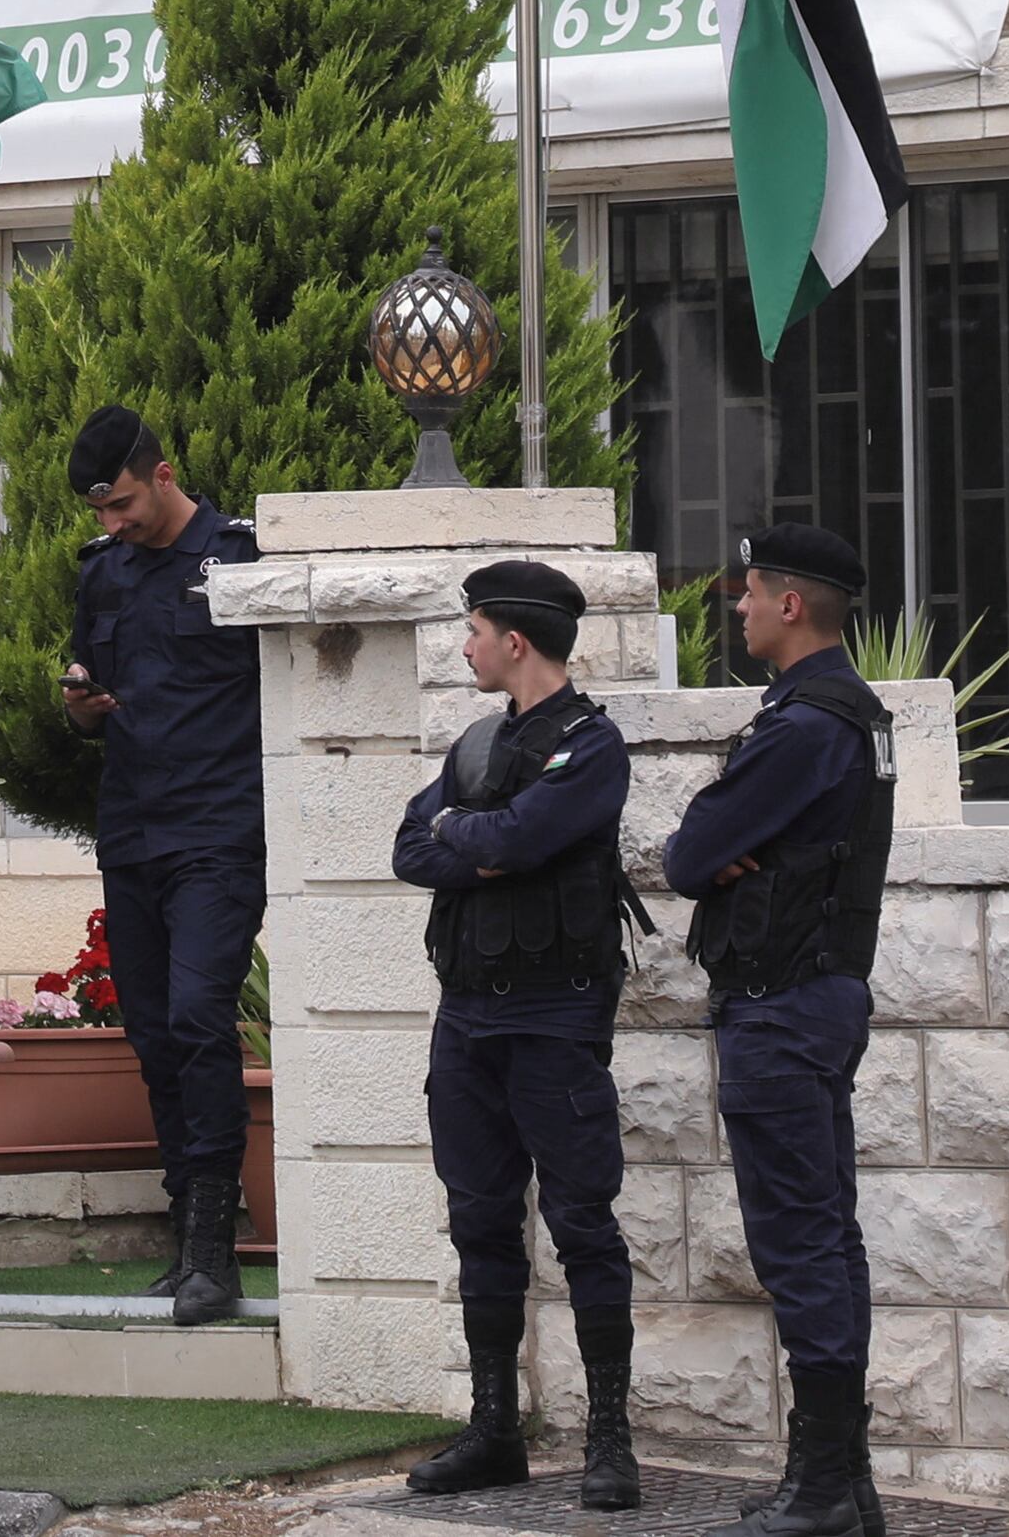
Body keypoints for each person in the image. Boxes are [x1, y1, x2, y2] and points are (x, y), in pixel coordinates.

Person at [389, 557, 644, 1513]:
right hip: (468, 1018)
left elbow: (517, 840)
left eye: (474, 629)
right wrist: (476, 835)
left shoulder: (594, 743)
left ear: (517, 640)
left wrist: (475, 836)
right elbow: (411, 849)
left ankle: (609, 1439)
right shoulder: (475, 744)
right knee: (480, 1220)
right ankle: (494, 1430)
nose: (465, 644)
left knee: (582, 1223)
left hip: (554, 1015)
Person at [659, 526, 900, 1537]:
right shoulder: (850, 714)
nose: (739, 609)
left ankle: (823, 1488)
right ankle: (841, 1479)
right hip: (815, 996)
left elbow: (686, 854)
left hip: (782, 1003)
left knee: (800, 1241)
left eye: (749, 595)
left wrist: (718, 856)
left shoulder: (803, 726)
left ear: (790, 604)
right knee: (823, 1236)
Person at [58, 404, 266, 1324]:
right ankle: (186, 1236)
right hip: (133, 829)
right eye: (102, 511)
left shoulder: (242, 557)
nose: (114, 523)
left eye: (125, 503)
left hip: (220, 828)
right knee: (151, 1034)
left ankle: (217, 1246)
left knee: (196, 1017)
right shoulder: (103, 573)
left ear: (165, 471)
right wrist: (80, 705)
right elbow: (86, 686)